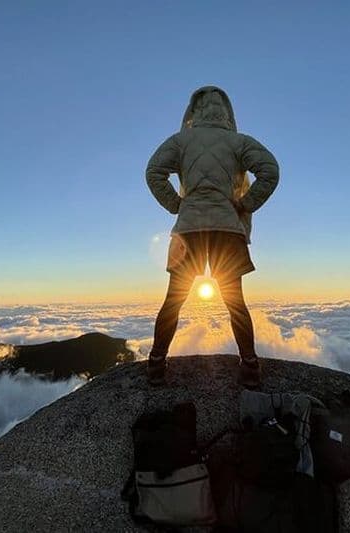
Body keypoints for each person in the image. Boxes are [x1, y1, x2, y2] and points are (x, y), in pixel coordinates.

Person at [145, 86, 280, 388]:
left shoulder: (180, 141)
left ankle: (155, 365)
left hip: (189, 231)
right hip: (227, 230)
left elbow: (154, 171)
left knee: (174, 300)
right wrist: (245, 204)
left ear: (194, 111)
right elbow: (270, 170)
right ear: (226, 111)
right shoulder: (238, 142)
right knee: (235, 302)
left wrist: (176, 204)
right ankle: (250, 366)